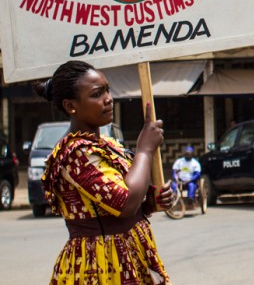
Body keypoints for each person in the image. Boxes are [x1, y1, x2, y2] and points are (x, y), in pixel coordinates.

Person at [36, 60, 173, 284]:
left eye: (108, 90)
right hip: (100, 263)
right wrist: (145, 150)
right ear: (71, 106)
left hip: (131, 254)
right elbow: (125, 203)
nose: (108, 99)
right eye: (97, 94)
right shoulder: (75, 153)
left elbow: (130, 199)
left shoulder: (109, 145)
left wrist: (150, 201)